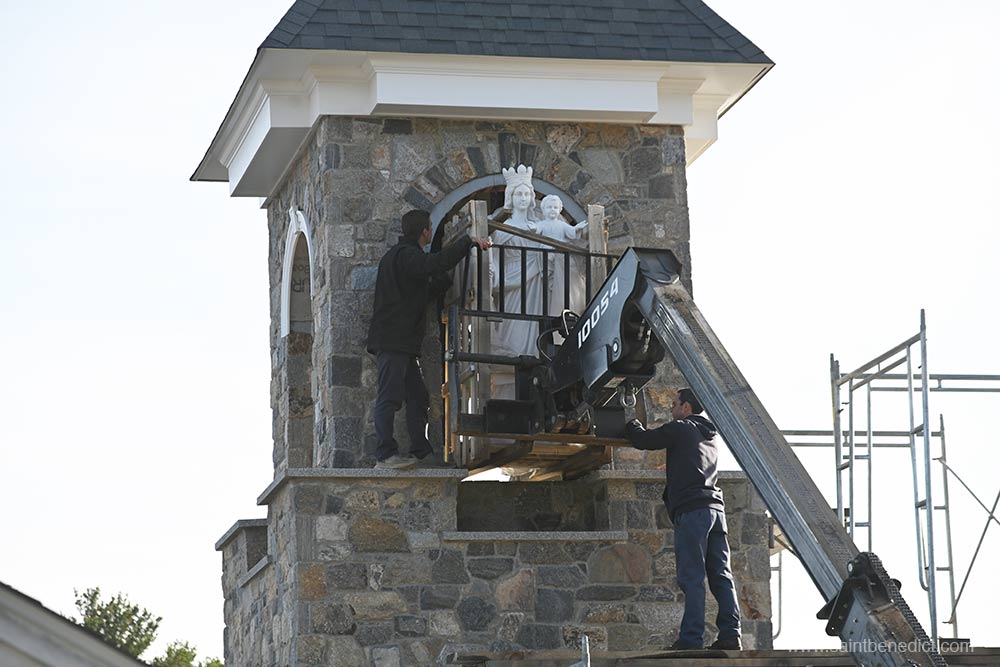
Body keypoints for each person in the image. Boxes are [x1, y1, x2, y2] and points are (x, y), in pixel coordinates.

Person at [366, 209, 491, 469]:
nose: (431, 232)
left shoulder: (400, 258)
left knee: (418, 396)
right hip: (394, 341)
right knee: (390, 396)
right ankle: (385, 455)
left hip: (401, 343)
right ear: (425, 231)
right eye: (430, 228)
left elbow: (416, 295)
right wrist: (467, 242)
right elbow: (432, 264)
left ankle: (420, 452)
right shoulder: (407, 255)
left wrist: (443, 283)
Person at [626, 388, 742, 651]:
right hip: (716, 511)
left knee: (692, 577)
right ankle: (731, 634)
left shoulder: (681, 428)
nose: (671, 408)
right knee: (721, 575)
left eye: (674, 404)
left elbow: (644, 440)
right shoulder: (710, 435)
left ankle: (691, 640)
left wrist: (631, 423)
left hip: (693, 512)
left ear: (686, 407)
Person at [489, 164, 546, 399]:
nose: (523, 198)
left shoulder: (539, 227)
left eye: (526, 194)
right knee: (513, 337)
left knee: (536, 337)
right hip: (511, 290)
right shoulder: (502, 230)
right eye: (518, 194)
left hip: (536, 288)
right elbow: (492, 262)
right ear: (510, 198)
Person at [535, 194, 588, 317]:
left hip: (559, 255)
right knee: (549, 271)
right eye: (549, 207)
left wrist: (577, 228)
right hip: (547, 253)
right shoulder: (542, 224)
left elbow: (571, 232)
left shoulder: (561, 225)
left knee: (563, 276)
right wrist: (532, 227)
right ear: (543, 209)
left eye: (555, 207)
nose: (552, 210)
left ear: (560, 209)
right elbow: (536, 230)